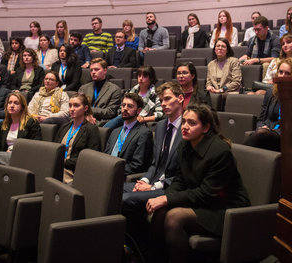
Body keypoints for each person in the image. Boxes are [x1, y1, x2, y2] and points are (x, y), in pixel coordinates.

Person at [146, 103, 250, 263]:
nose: (185, 127)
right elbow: (179, 180)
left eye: (192, 123)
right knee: (160, 211)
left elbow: (207, 193)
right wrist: (166, 198)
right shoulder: (184, 145)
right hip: (202, 201)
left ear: (206, 128)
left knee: (175, 217)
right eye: (184, 121)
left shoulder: (219, 151)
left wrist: (167, 199)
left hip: (224, 208)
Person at [122, 82, 184, 249]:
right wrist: (144, 180)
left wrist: (152, 187)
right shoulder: (162, 125)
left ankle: (137, 248)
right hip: (153, 181)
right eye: (161, 100)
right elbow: (155, 164)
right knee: (114, 190)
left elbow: (182, 173)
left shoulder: (188, 127)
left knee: (126, 199)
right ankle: (126, 246)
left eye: (168, 99)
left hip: (171, 186)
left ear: (180, 98)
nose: (163, 104)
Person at [244, 58, 292, 152]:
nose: (282, 76)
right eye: (280, 72)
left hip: (286, 135)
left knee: (260, 136)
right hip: (267, 132)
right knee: (260, 134)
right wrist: (261, 127)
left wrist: (270, 131)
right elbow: (261, 118)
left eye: (287, 73)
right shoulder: (271, 92)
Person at [54, 94, 101, 184]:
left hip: (74, 174)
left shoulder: (91, 129)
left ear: (85, 108)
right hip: (57, 169)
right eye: (70, 105)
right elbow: (54, 148)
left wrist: (65, 162)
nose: (72, 109)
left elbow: (91, 158)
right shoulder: (65, 127)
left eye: (76, 105)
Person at [104, 93, 153, 176]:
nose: (125, 109)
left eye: (130, 106)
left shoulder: (144, 133)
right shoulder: (115, 131)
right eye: (123, 105)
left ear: (139, 110)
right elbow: (106, 155)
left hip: (120, 176)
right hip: (104, 171)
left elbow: (137, 165)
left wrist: (113, 171)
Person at [104, 65, 163, 130]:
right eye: (139, 75)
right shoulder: (131, 91)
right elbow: (120, 109)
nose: (140, 78)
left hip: (141, 123)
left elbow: (159, 114)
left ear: (151, 78)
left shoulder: (155, 95)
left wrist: (143, 119)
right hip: (125, 119)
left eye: (144, 76)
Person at [0, 92, 42, 163]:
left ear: (22, 107)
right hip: (5, 156)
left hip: (22, 157)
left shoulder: (31, 122)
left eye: (16, 103)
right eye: (10, 103)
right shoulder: (4, 124)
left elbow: (36, 145)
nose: (12, 105)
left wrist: (13, 151)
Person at [78, 58, 122, 125]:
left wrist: (89, 110)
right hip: (83, 120)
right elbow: (78, 107)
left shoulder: (115, 89)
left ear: (105, 70)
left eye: (96, 69)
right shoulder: (83, 88)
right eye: (91, 70)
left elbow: (110, 112)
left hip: (102, 123)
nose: (93, 72)